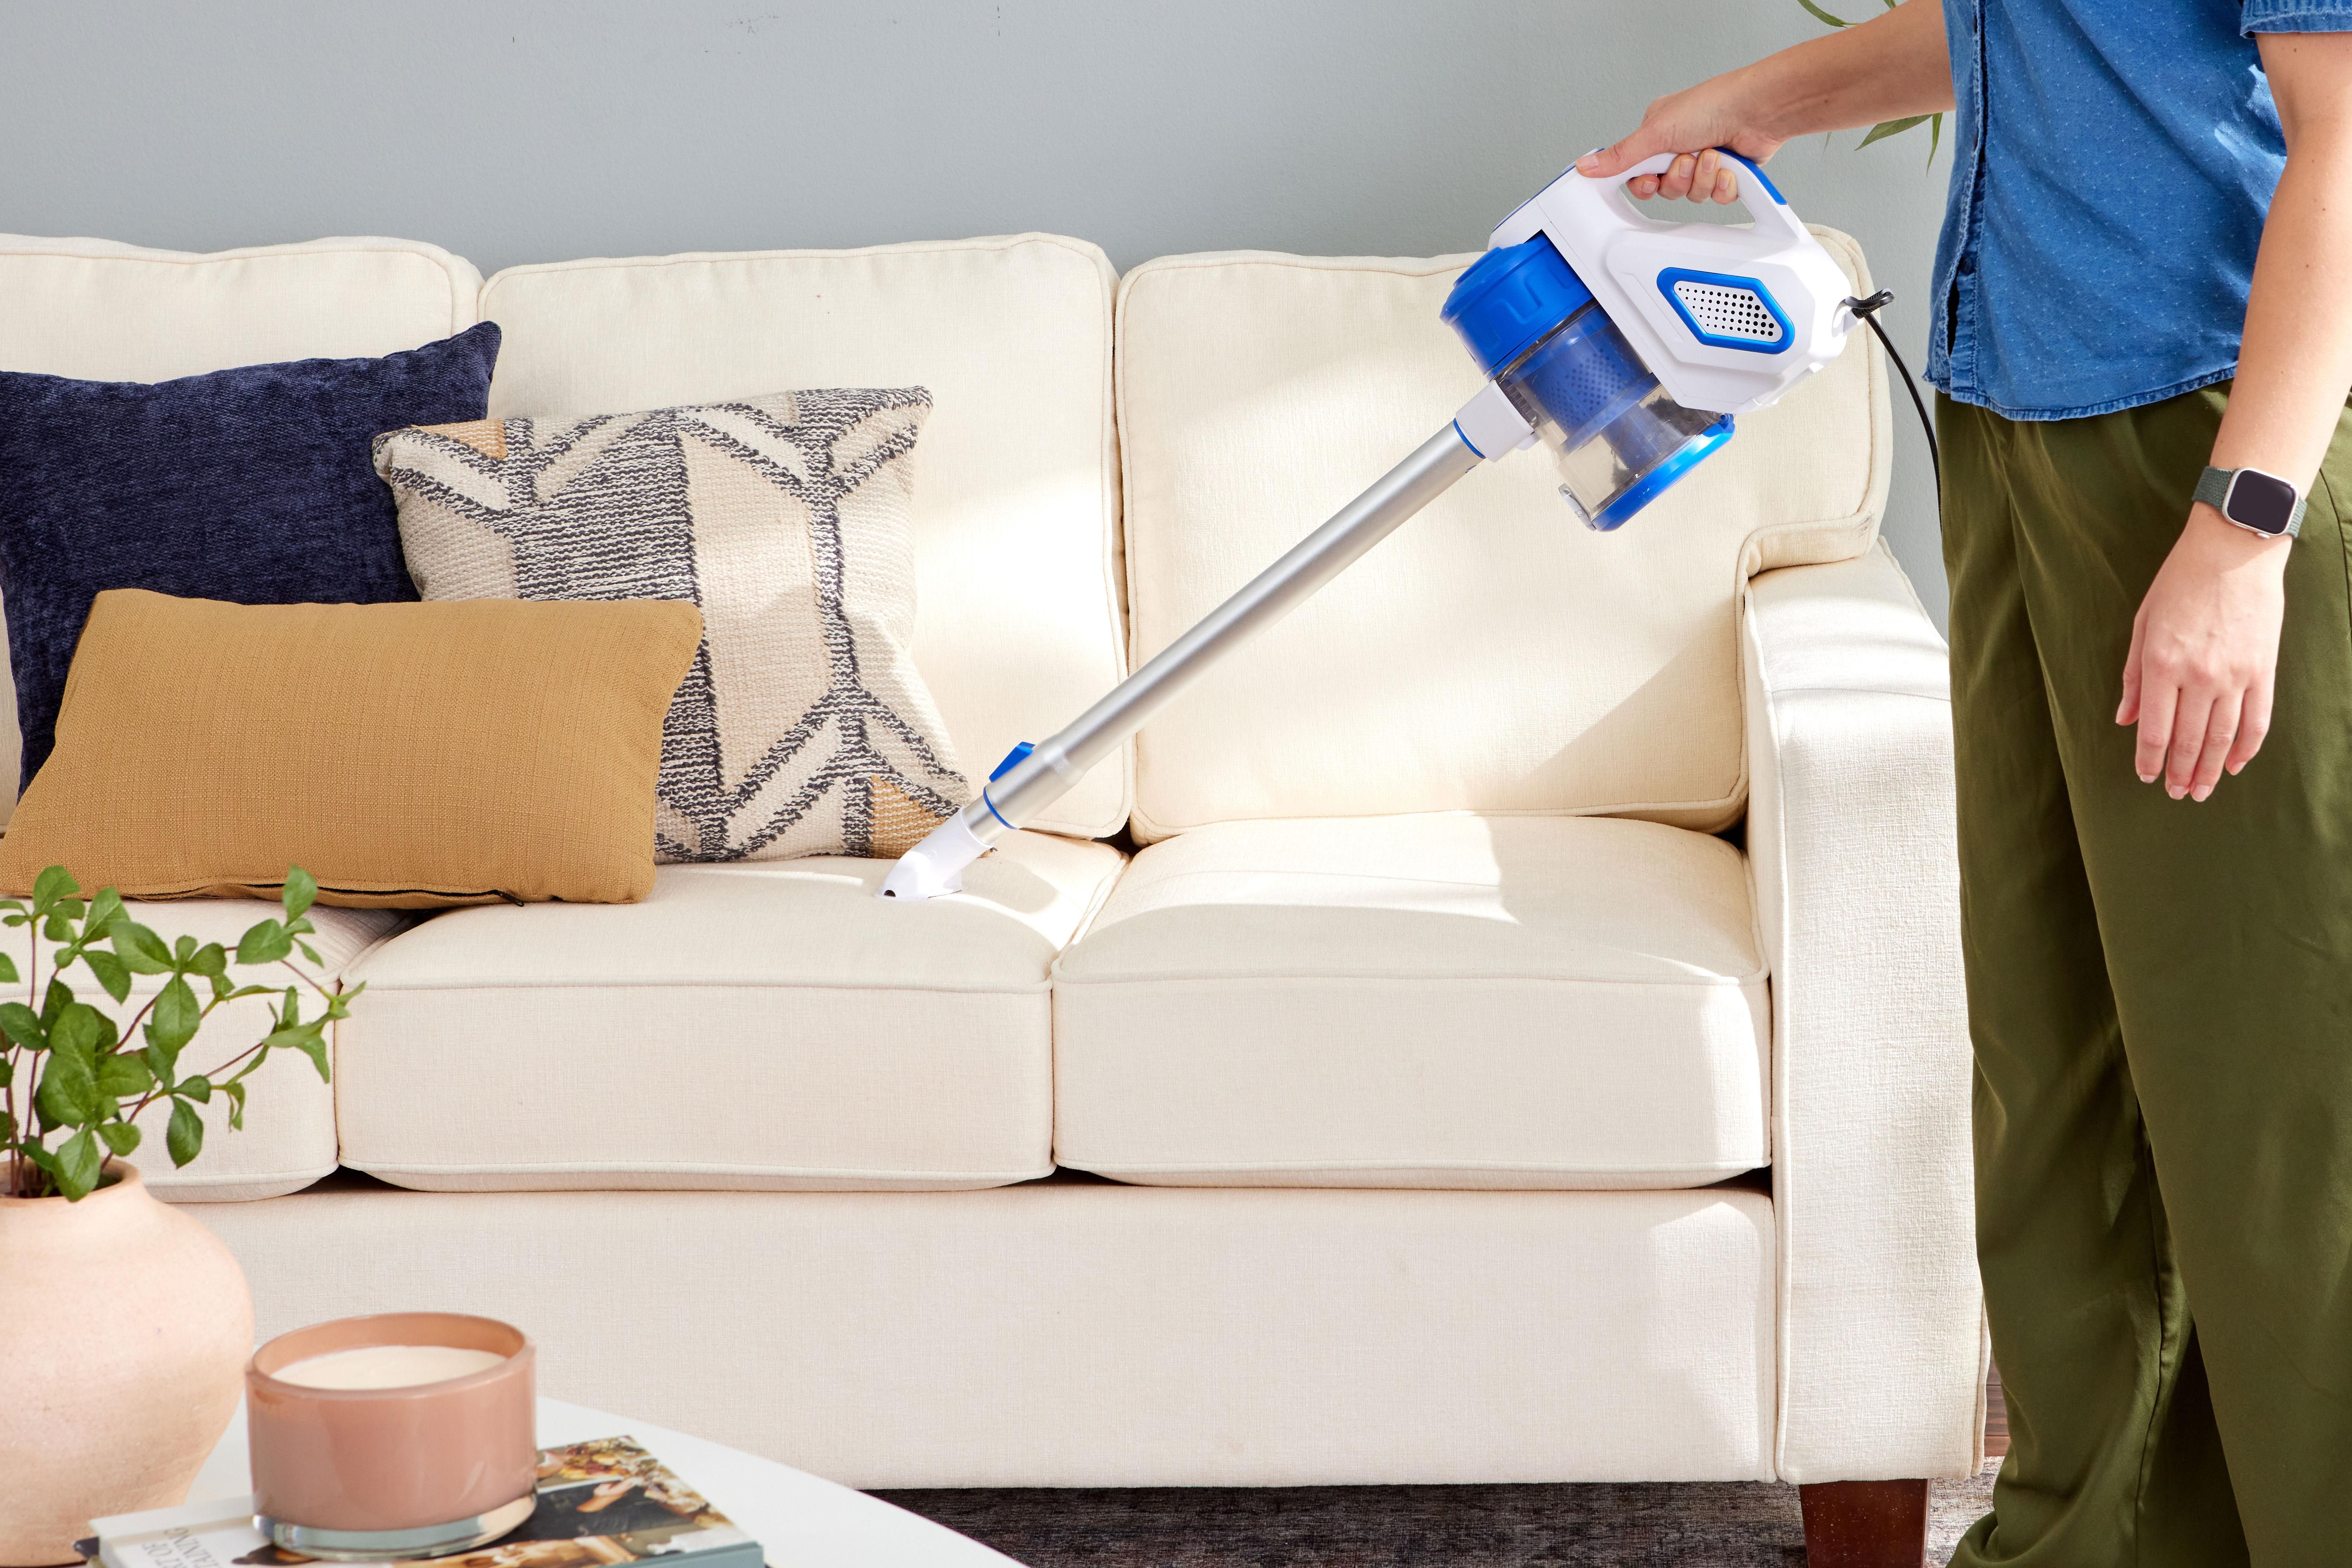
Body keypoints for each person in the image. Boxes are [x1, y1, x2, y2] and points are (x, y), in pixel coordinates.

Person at [1578, 4, 2352, 1564]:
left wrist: (2242, 532)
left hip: (2203, 452)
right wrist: (1753, 101)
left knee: (2277, 1106)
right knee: (2053, 1074)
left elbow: (2344, 133)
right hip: (2011, 434)